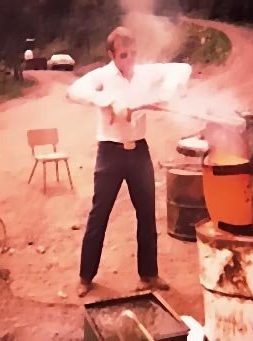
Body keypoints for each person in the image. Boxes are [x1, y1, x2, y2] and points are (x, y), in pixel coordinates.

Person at [67, 26, 192, 297]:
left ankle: (149, 274)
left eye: (133, 53)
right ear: (112, 54)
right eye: (124, 55)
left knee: (146, 214)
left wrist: (168, 92)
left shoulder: (145, 73)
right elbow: (73, 91)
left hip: (139, 151)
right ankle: (86, 276)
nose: (129, 60)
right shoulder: (102, 77)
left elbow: (181, 69)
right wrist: (108, 100)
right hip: (109, 153)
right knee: (99, 215)